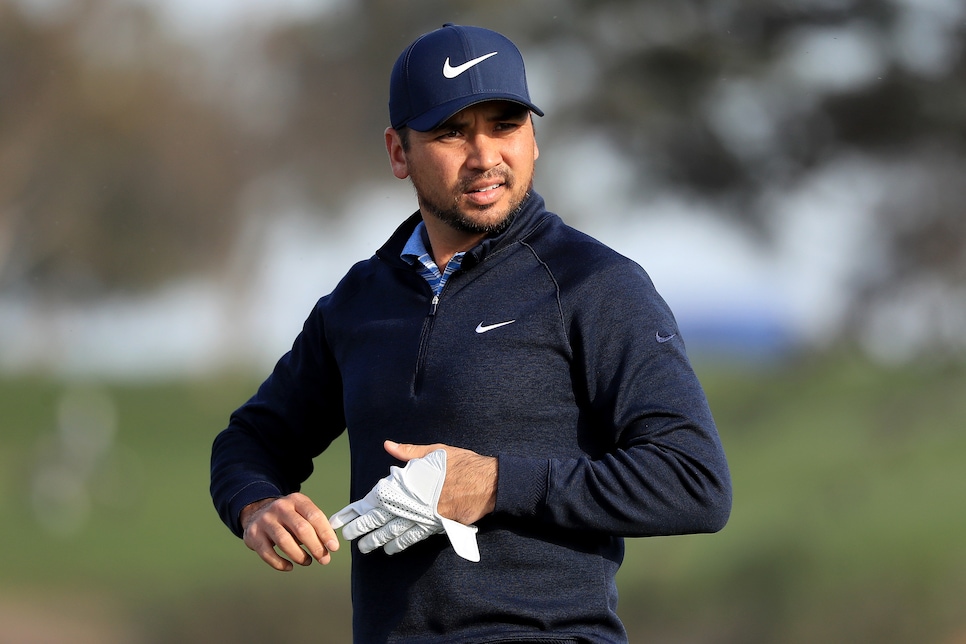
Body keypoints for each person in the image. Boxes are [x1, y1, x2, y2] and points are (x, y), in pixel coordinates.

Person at [211, 23, 732, 643]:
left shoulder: (595, 285)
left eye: (505, 125)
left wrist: (492, 484)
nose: (485, 156)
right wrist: (257, 504)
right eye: (452, 132)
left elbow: (693, 481)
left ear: (534, 139)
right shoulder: (359, 301)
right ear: (398, 152)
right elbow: (253, 438)